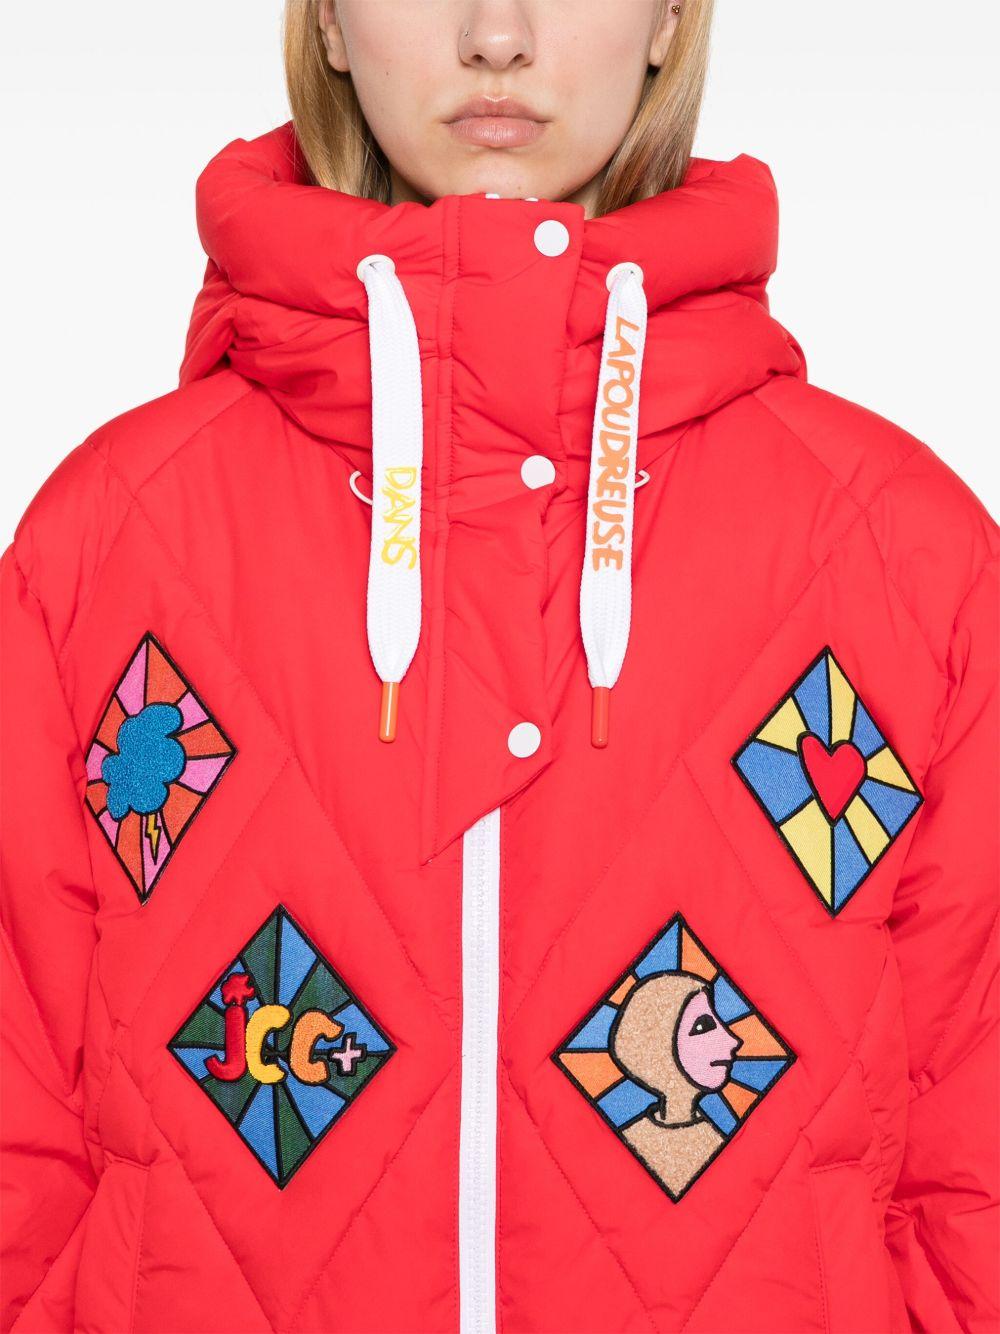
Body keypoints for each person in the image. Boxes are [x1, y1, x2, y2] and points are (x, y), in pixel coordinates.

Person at [1, 2, 996, 1332]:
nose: (497, 35)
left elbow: (973, 1152)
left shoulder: (899, 551)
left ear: (669, 18)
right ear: (330, 22)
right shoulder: (111, 540)